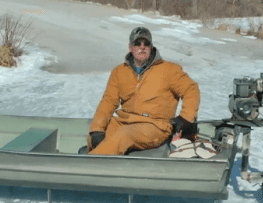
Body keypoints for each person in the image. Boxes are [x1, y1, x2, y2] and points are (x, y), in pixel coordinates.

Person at [86, 27, 200, 155]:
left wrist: (184, 119)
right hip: (125, 121)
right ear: (130, 47)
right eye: (137, 43)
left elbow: (191, 89)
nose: (142, 47)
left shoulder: (169, 70)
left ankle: (85, 167)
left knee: (124, 135)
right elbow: (108, 101)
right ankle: (96, 164)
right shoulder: (119, 72)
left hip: (156, 126)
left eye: (146, 44)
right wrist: (97, 129)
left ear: (151, 47)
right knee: (96, 135)